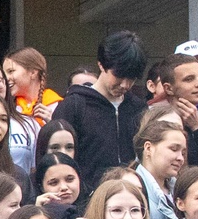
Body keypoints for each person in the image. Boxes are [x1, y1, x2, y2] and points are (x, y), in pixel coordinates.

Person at [48, 30, 148, 188]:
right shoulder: (74, 105)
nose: (125, 85)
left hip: (130, 194)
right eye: (119, 76)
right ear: (101, 64)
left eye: (131, 79)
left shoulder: (138, 108)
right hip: (86, 196)